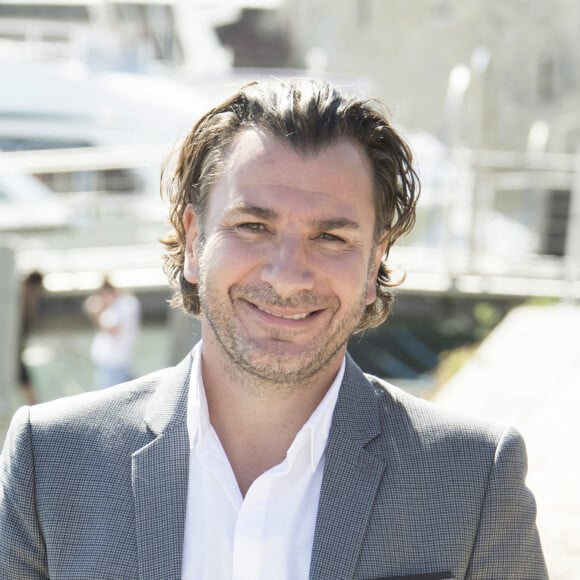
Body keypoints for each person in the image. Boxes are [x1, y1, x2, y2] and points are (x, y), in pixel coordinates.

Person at [0, 78, 547, 579]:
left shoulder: (472, 480)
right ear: (194, 241)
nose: (287, 278)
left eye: (331, 238)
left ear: (376, 259)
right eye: (253, 226)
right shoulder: (49, 464)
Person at [82, 277, 141, 389]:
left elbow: (113, 330)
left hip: (115, 366)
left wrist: (97, 312)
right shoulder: (114, 307)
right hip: (108, 365)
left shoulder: (125, 305)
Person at [17, 270, 44, 405]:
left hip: (15, 354)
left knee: (30, 394)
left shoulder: (27, 302)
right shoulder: (15, 300)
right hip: (10, 354)